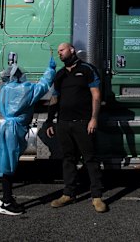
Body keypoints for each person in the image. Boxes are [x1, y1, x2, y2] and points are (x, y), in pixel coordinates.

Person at [46, 42, 107, 213]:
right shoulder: (60, 75)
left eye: (62, 50)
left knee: (90, 159)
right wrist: (50, 121)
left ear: (72, 50)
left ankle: (97, 197)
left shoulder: (87, 69)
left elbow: (96, 95)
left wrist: (93, 119)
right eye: (58, 52)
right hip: (64, 124)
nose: (60, 54)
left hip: (83, 122)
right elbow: (55, 98)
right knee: (68, 159)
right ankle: (68, 194)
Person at [0, 56, 56, 216]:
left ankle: (5, 198)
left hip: (6, 128)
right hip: (14, 130)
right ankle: (6, 203)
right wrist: (50, 70)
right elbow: (42, 87)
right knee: (9, 166)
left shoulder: (5, 88)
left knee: (5, 163)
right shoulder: (24, 89)